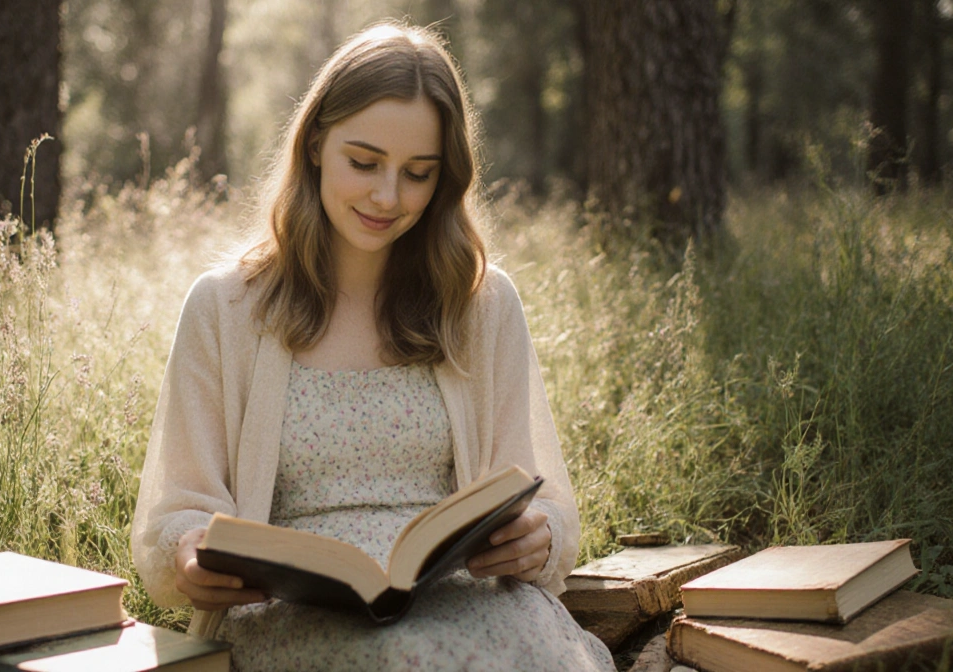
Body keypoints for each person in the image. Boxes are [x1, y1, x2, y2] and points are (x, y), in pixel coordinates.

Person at [131, 22, 615, 672]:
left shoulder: (482, 304)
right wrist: (190, 551)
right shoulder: (224, 308)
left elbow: (538, 493)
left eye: (417, 174)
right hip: (292, 617)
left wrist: (539, 537)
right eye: (363, 163)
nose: (387, 197)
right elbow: (181, 510)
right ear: (314, 147)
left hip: (465, 605)